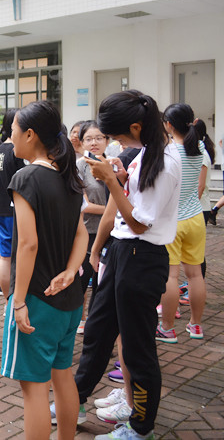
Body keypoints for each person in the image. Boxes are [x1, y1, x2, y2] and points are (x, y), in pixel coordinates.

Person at [74, 91, 181, 440]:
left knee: (137, 349)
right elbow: (131, 203)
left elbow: (139, 223)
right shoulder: (145, 153)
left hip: (143, 257)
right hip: (123, 252)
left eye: (118, 135)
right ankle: (75, 400)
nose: (115, 142)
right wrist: (120, 176)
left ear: (136, 126)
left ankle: (140, 427)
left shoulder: (165, 161)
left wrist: (110, 181)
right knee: (98, 332)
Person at [0, 101, 88, 440]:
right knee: (62, 376)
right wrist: (70, 271)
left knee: (34, 390)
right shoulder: (69, 176)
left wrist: (18, 301)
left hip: (37, 300)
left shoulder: (26, 177)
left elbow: (28, 245)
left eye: (13, 133)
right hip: (69, 299)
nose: (11, 139)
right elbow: (81, 233)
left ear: (30, 135)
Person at [156, 104, 206, 342]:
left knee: (171, 277)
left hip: (174, 221)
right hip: (195, 218)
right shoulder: (200, 147)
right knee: (195, 275)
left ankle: (166, 328)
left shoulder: (169, 152)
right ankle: (196, 325)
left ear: (168, 125)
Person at [75, 120, 110, 333]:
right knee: (81, 282)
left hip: (110, 233)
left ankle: (97, 324)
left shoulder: (113, 164)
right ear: (82, 142)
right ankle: (80, 319)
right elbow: (85, 205)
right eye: (89, 139)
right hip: (86, 234)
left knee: (102, 284)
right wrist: (114, 209)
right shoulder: (80, 166)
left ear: (107, 140)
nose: (94, 142)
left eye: (99, 138)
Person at [0, 109, 25, 298]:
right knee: (9, 255)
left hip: (1, 208)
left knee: (3, 251)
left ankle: (3, 291)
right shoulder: (15, 150)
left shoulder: (0, 149)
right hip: (13, 210)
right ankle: (8, 298)